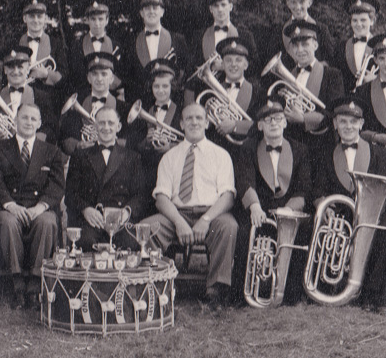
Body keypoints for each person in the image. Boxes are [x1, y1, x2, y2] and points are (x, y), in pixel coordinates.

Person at [137, 102, 239, 312]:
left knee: (228, 227)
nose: (194, 122)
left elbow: (228, 196)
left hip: (211, 213)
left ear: (207, 123)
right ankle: (154, 287)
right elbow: (161, 198)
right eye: (189, 118)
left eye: (199, 118)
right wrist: (179, 222)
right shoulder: (169, 157)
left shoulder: (221, 155)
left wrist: (206, 219)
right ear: (181, 124)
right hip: (177, 214)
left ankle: (216, 293)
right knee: (146, 229)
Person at [312, 95, 386, 311]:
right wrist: (324, 205)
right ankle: (333, 286)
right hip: (341, 213)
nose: (348, 126)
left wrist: (371, 211)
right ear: (335, 124)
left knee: (385, 228)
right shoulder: (325, 154)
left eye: (353, 121)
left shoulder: (379, 153)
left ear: (361, 124)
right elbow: (318, 189)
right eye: (343, 121)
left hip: (371, 214)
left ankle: (373, 293)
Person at [0, 103, 67, 308]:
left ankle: (35, 286)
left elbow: (57, 186)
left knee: (47, 222)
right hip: (7, 208)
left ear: (39, 123)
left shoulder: (52, 151)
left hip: (39, 208)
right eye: (24, 117)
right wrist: (11, 206)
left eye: (33, 119)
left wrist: (40, 207)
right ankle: (17, 285)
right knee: (8, 222)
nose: (29, 122)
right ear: (15, 120)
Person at [233, 100, 313, 304]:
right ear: (260, 126)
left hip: (289, 209)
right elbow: (245, 180)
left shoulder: (300, 149)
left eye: (278, 119)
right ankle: (243, 294)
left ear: (285, 122)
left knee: (305, 232)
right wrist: (254, 206)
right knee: (245, 232)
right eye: (268, 120)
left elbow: (303, 188)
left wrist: (287, 211)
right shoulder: (248, 147)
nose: (274, 123)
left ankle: (293, 293)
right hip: (260, 207)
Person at [65, 105, 149, 252]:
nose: (106, 127)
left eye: (110, 123)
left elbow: (140, 195)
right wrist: (86, 209)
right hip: (91, 221)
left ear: (118, 127)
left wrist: (127, 212)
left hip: (121, 222)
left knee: (130, 243)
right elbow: (70, 194)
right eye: (101, 123)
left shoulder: (132, 157)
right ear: (95, 126)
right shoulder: (79, 156)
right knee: (86, 242)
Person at [273, 20, 343, 159]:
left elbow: (335, 112)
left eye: (305, 44)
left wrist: (303, 118)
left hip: (321, 147)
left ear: (315, 45)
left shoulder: (332, 75)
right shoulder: (287, 76)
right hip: (293, 146)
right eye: (295, 45)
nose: (300, 50)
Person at [184, 38, 263, 155]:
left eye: (238, 60)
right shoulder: (209, 90)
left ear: (246, 65)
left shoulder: (257, 92)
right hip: (213, 152)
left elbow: (262, 124)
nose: (233, 64)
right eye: (228, 60)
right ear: (223, 64)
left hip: (243, 154)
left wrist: (235, 125)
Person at [0, 46, 57, 145]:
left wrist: (33, 140)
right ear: (5, 70)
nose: (16, 72)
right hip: (2, 151)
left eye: (20, 67)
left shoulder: (41, 96)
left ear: (28, 69)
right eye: (11, 67)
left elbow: (50, 128)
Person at [123, 0, 189, 99]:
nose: (151, 11)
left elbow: (185, 71)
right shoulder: (131, 42)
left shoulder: (178, 39)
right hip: (141, 101)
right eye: (147, 8)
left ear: (162, 12)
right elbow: (128, 78)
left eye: (155, 8)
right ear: (141, 13)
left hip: (171, 101)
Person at [125, 58, 183, 176]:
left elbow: (191, 142)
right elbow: (132, 145)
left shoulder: (181, 112)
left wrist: (170, 147)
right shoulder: (144, 111)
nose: (160, 90)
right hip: (148, 171)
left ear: (172, 87)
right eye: (156, 86)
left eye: (165, 86)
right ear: (151, 87)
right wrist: (146, 141)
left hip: (175, 169)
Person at [59, 51, 122, 157]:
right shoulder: (76, 107)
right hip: (84, 159)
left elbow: (129, 141)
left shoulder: (123, 107)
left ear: (112, 79)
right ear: (88, 78)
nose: (99, 79)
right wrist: (78, 144)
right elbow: (65, 137)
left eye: (104, 74)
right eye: (94, 74)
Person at [192, 0, 259, 71]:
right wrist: (211, 66)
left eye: (223, 5)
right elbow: (193, 67)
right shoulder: (199, 36)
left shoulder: (245, 36)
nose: (220, 9)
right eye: (216, 6)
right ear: (211, 9)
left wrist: (225, 67)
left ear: (230, 7)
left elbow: (255, 67)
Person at [67, 1, 124, 95]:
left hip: (110, 95)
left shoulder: (116, 46)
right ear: (87, 20)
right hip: (85, 95)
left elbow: (119, 75)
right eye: (93, 19)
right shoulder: (77, 45)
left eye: (100, 19)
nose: (97, 23)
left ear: (107, 21)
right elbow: (75, 74)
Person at [17, 0, 65, 103]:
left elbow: (64, 76)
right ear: (25, 18)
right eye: (31, 16)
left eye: (39, 16)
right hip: (22, 98)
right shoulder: (16, 42)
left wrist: (47, 74)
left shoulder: (56, 43)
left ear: (45, 19)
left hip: (48, 100)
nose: (36, 20)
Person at [277, 0, 334, 67]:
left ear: (310, 2)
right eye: (293, 2)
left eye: (301, 2)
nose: (298, 7)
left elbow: (331, 60)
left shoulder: (321, 29)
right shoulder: (280, 30)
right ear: (287, 3)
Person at [336, 0, 379, 93]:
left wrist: (375, 78)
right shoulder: (341, 46)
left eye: (363, 20)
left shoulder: (379, 46)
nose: (358, 24)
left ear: (372, 21)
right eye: (355, 20)